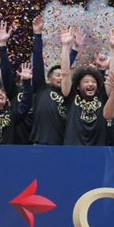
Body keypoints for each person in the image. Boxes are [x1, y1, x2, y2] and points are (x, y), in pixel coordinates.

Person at [61, 26, 114, 146]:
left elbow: (112, 76)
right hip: (73, 150)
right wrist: (66, 46)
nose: (90, 84)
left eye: (93, 82)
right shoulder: (71, 96)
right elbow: (65, 73)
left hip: (98, 152)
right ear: (78, 86)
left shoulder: (102, 96)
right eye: (87, 81)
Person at [29, 16, 76, 145]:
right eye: (57, 75)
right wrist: (38, 34)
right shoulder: (41, 88)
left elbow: (66, 70)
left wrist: (75, 49)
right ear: (48, 79)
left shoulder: (70, 95)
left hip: (64, 146)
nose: (61, 77)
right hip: (40, 144)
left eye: (62, 75)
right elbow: (38, 59)